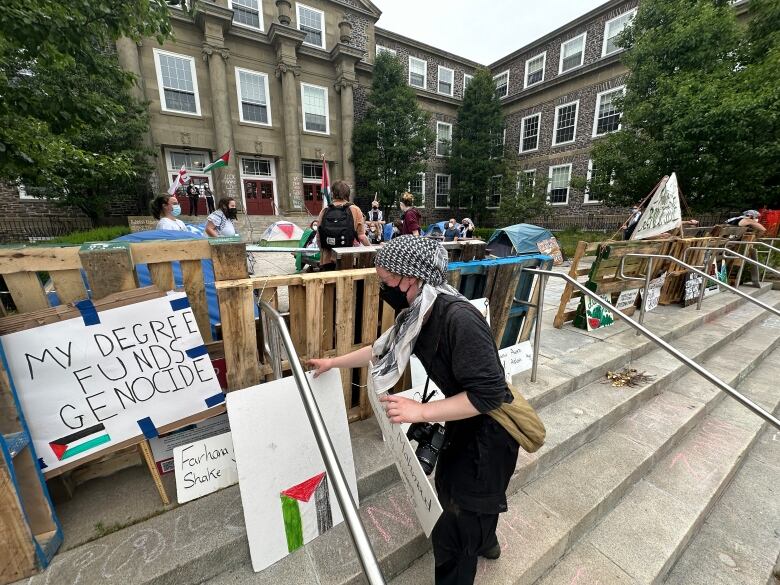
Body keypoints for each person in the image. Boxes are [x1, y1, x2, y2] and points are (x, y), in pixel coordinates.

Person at [307, 236, 518, 585]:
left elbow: (489, 395)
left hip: (490, 434)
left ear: (413, 278)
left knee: (456, 521)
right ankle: (487, 542)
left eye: (387, 281)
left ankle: (467, 555)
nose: (383, 288)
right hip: (464, 423)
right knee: (466, 499)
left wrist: (420, 412)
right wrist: (333, 362)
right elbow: (379, 349)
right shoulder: (419, 313)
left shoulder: (458, 319)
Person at [316, 180, 370, 270]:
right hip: (347, 258)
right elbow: (361, 236)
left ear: (333, 193)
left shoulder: (325, 210)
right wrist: (371, 248)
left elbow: (318, 236)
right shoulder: (355, 209)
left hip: (327, 259)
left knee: (331, 283)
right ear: (347, 194)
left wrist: (322, 251)